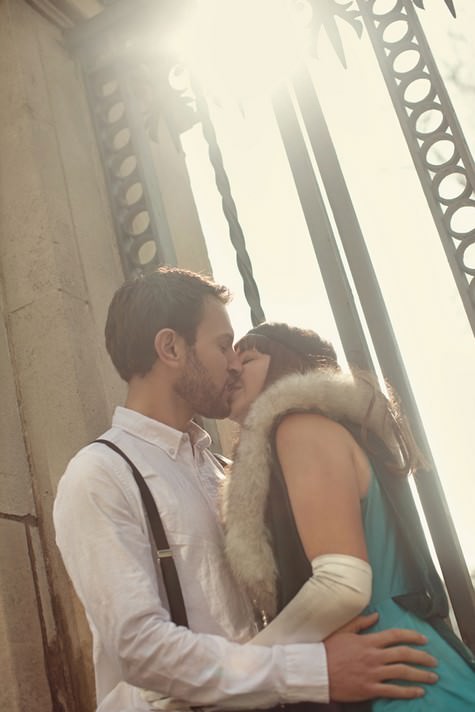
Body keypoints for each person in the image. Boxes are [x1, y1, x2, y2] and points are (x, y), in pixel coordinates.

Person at [54, 268, 439, 712]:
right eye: (222, 345)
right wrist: (313, 671)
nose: (234, 362)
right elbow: (140, 648)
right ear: (171, 348)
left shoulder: (226, 472)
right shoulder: (100, 474)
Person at [223, 321, 475, 711]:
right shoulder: (320, 432)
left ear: (289, 365)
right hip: (396, 668)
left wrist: (231, 673)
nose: (233, 368)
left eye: (248, 357)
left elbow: (342, 584)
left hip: (401, 678)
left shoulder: (299, 426)